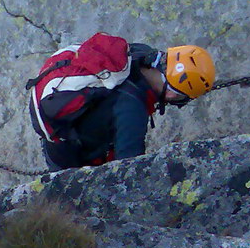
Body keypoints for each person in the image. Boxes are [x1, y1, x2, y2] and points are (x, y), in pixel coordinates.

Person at [29, 37, 215, 170]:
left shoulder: (138, 53)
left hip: (60, 131)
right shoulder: (132, 111)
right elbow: (127, 170)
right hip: (69, 158)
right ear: (173, 94)